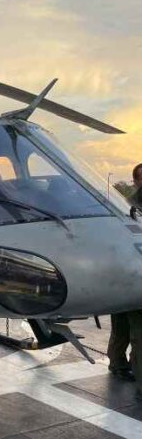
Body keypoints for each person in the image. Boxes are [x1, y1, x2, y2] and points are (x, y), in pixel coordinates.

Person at [107, 164, 142, 393]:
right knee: (128, 328)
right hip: (130, 273)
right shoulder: (130, 205)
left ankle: (120, 363)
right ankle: (121, 364)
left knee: (125, 326)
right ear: (136, 181)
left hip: (130, 271)